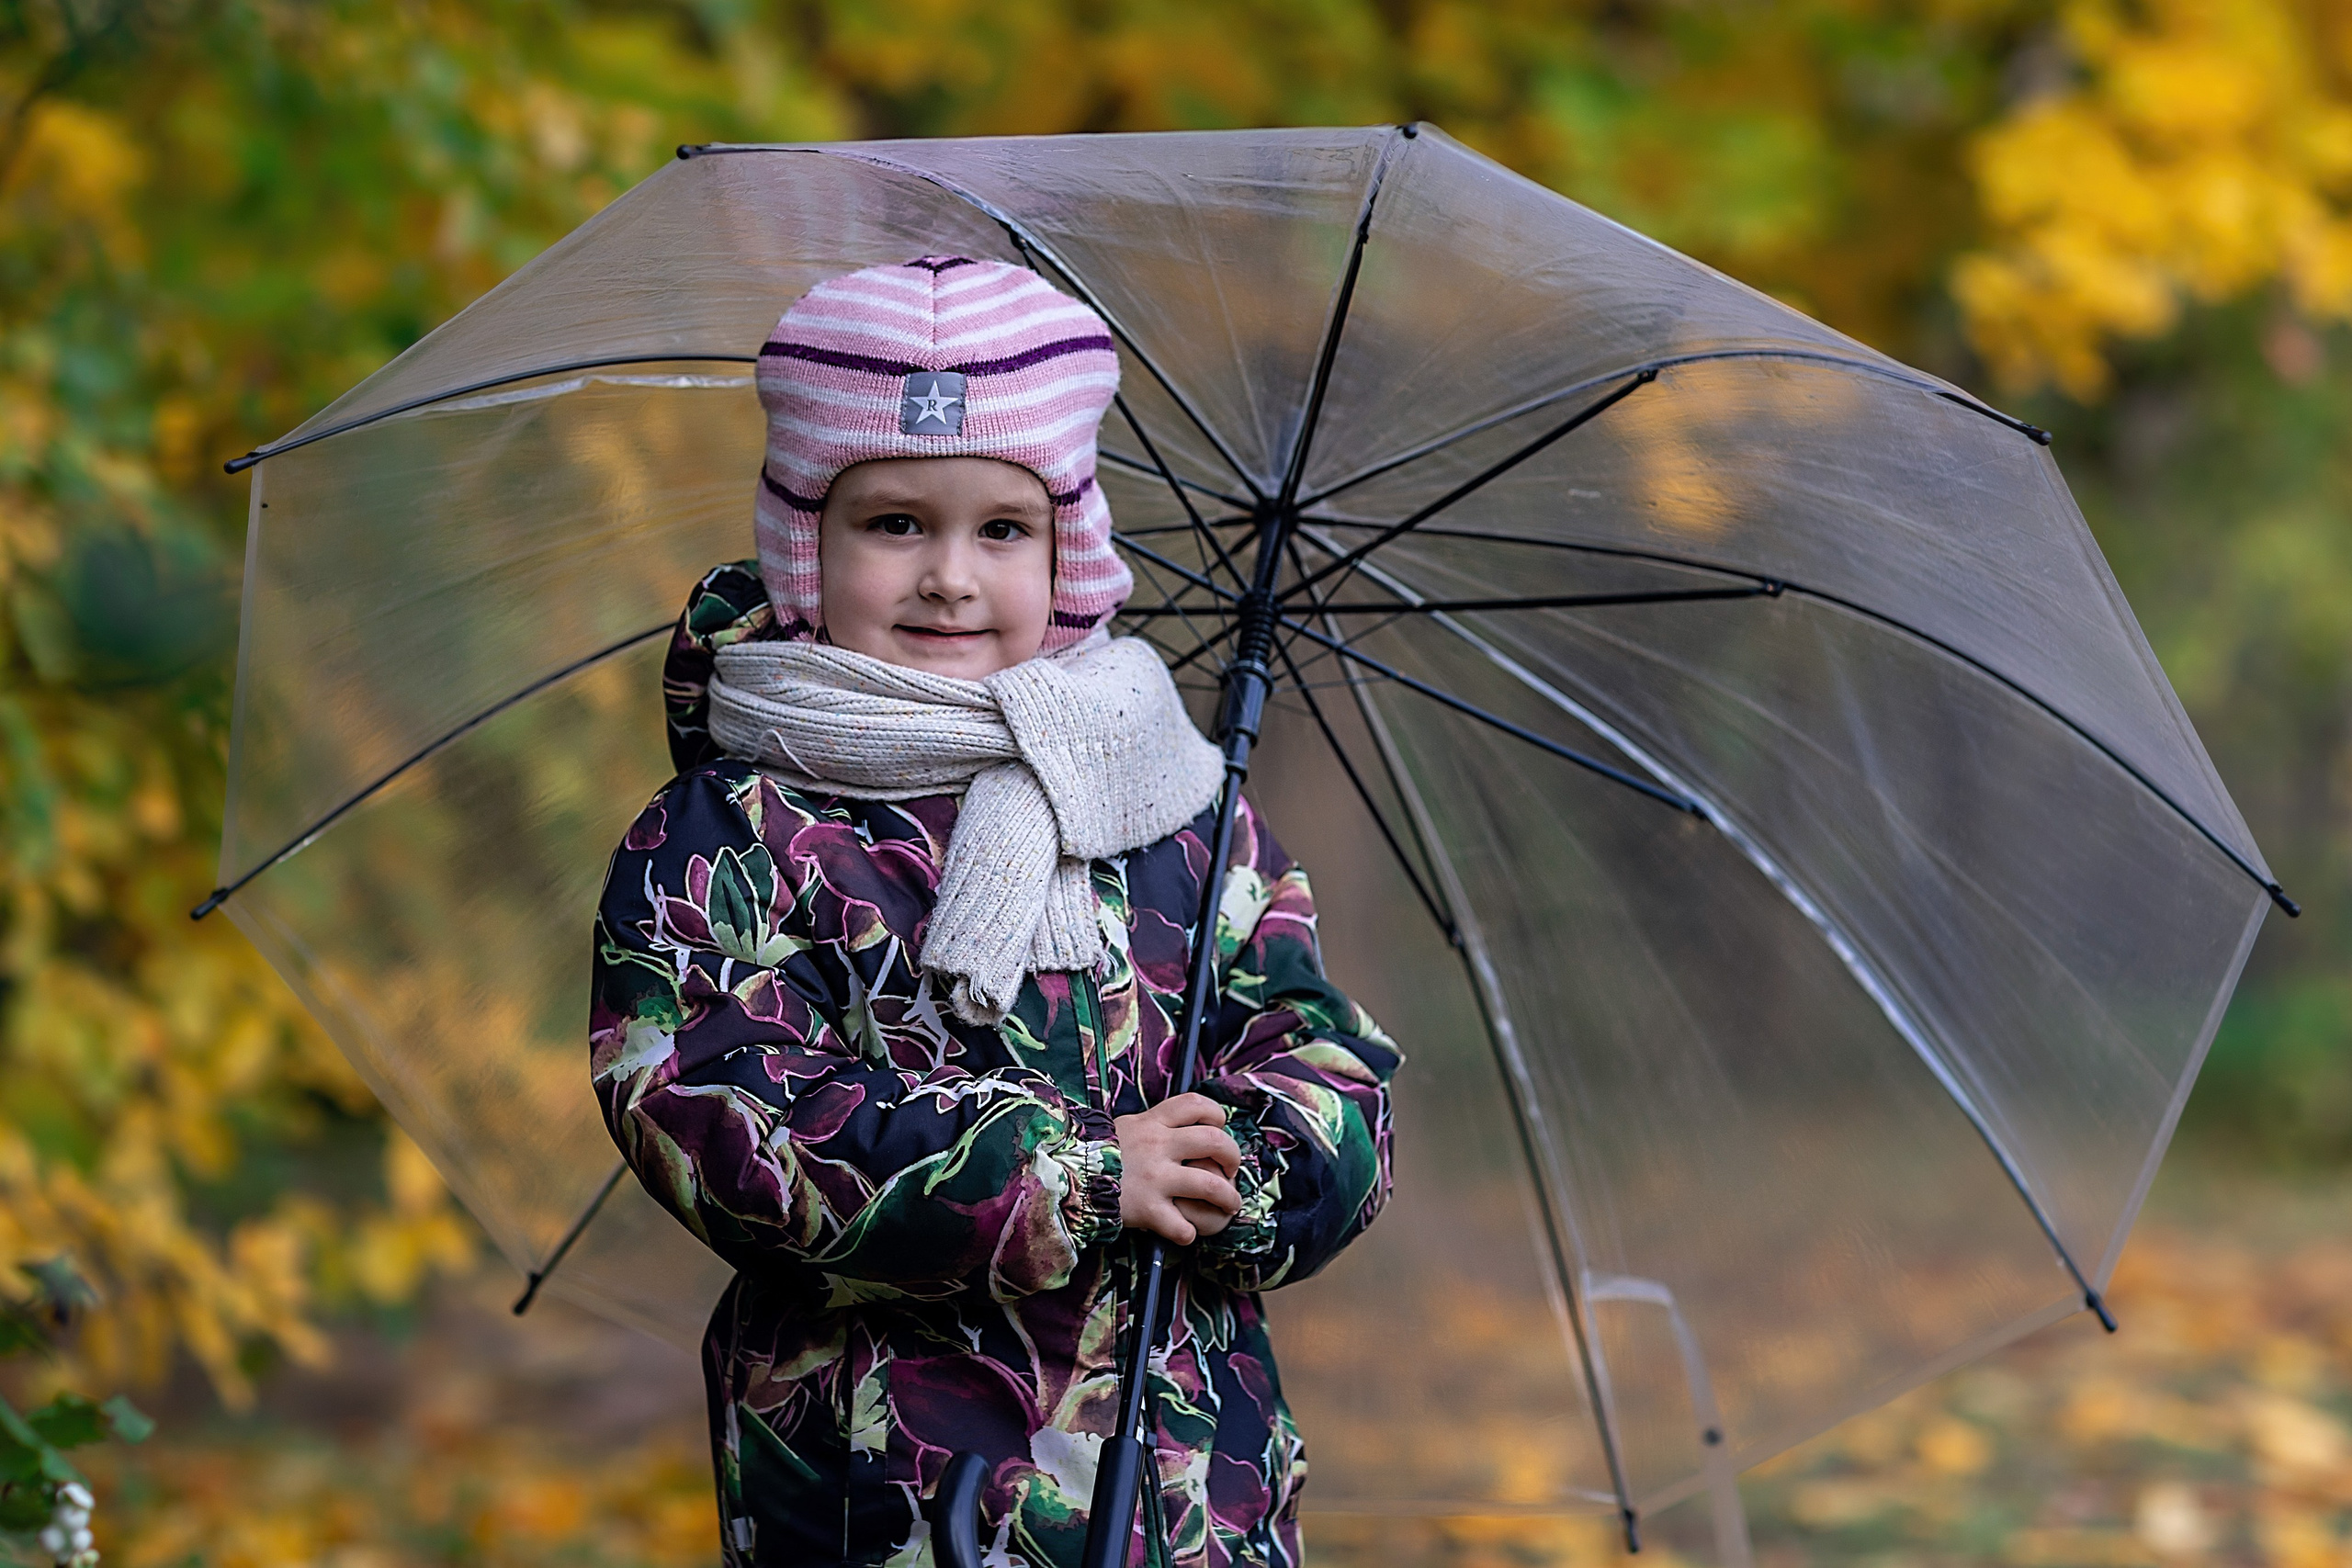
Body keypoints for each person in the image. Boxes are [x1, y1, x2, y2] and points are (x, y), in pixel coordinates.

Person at [589, 255, 1400, 1568]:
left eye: (1001, 531)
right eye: (895, 524)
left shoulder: (1175, 808)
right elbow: (720, 1112)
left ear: (1069, 551)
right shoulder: (733, 832)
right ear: (808, 542)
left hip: (1185, 1491)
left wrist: (1250, 1165)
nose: (950, 578)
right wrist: (1080, 1176)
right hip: (892, 1497)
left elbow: (1318, 1044)